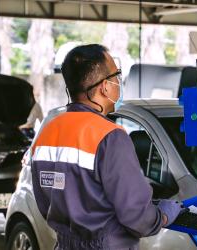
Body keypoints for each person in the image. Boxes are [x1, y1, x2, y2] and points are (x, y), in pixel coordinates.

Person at [30, 44, 183, 250]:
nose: (119, 82)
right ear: (104, 86)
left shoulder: (47, 133)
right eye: (116, 75)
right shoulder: (110, 136)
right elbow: (136, 216)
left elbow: (45, 203)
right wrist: (162, 216)